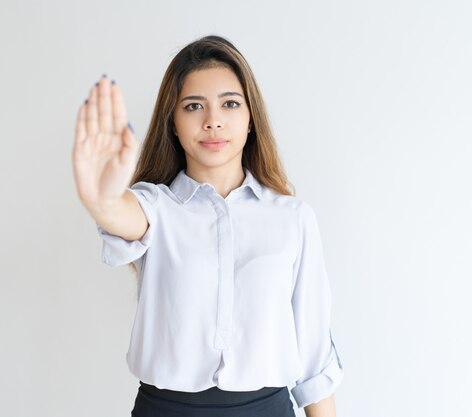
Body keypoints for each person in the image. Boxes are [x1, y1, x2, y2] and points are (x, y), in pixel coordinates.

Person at [72, 35, 344, 417]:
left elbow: (314, 355)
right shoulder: (158, 207)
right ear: (174, 124)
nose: (213, 120)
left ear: (251, 119)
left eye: (230, 104)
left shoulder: (292, 219)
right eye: (193, 106)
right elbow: (123, 215)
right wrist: (100, 200)